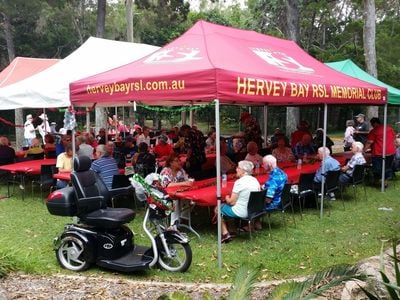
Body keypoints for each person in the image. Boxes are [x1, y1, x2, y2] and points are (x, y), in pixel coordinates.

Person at [218, 160, 260, 243]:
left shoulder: (239, 182)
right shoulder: (255, 180)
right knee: (228, 207)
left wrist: (226, 197)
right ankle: (232, 229)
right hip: (253, 211)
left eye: (238, 168)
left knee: (218, 208)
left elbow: (231, 202)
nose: (236, 169)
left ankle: (225, 233)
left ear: (243, 171)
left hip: (242, 212)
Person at [364, 117, 396, 185]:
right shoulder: (389, 128)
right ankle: (386, 180)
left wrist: (363, 150)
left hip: (379, 152)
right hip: (391, 152)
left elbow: (369, 142)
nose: (372, 125)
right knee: (387, 167)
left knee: (377, 168)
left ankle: (379, 181)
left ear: (374, 123)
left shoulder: (374, 131)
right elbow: (394, 138)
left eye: (372, 124)